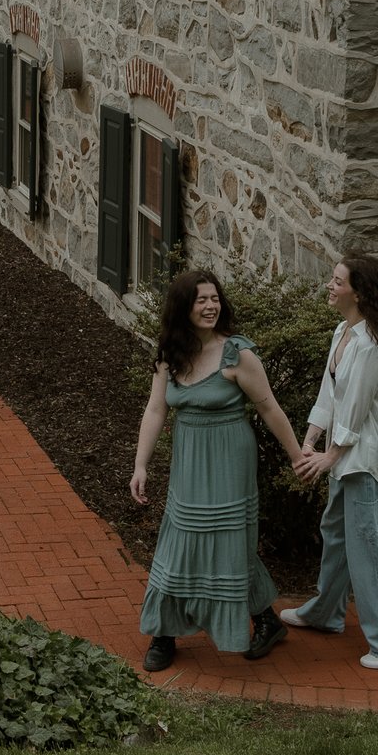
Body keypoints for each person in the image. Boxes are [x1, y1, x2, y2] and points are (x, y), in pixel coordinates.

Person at [130, 269, 308, 672]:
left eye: (215, 299)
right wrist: (140, 465)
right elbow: (156, 409)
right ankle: (165, 632)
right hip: (190, 458)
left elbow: (269, 408)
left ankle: (263, 620)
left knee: (231, 543)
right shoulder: (169, 355)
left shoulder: (238, 354)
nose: (211, 306)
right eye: (201, 301)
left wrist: (297, 456)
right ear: (183, 308)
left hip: (230, 459)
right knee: (180, 541)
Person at [283, 252, 378, 669]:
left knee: (370, 546)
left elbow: (357, 410)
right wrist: (309, 441)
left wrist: (329, 457)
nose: (330, 285)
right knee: (337, 535)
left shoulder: (370, 344)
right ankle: (326, 613)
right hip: (345, 456)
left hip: (367, 460)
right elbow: (331, 397)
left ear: (359, 293)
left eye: (338, 281)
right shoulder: (343, 332)